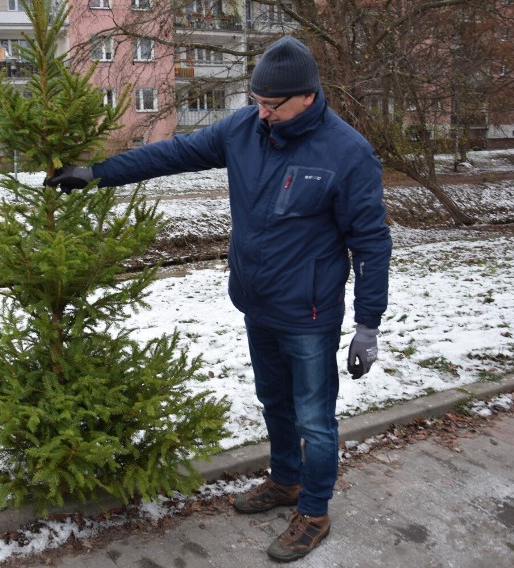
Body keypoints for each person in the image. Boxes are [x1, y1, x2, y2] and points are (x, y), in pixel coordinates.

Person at [46, 35, 391, 562]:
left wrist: (368, 324)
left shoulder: (346, 153)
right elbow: (174, 153)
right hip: (257, 301)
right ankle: (285, 481)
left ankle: (314, 511)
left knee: (315, 419)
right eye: (256, 100)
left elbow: (370, 242)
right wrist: (97, 174)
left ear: (306, 96)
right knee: (273, 401)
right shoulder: (244, 130)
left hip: (309, 313)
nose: (261, 112)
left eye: (271, 104)